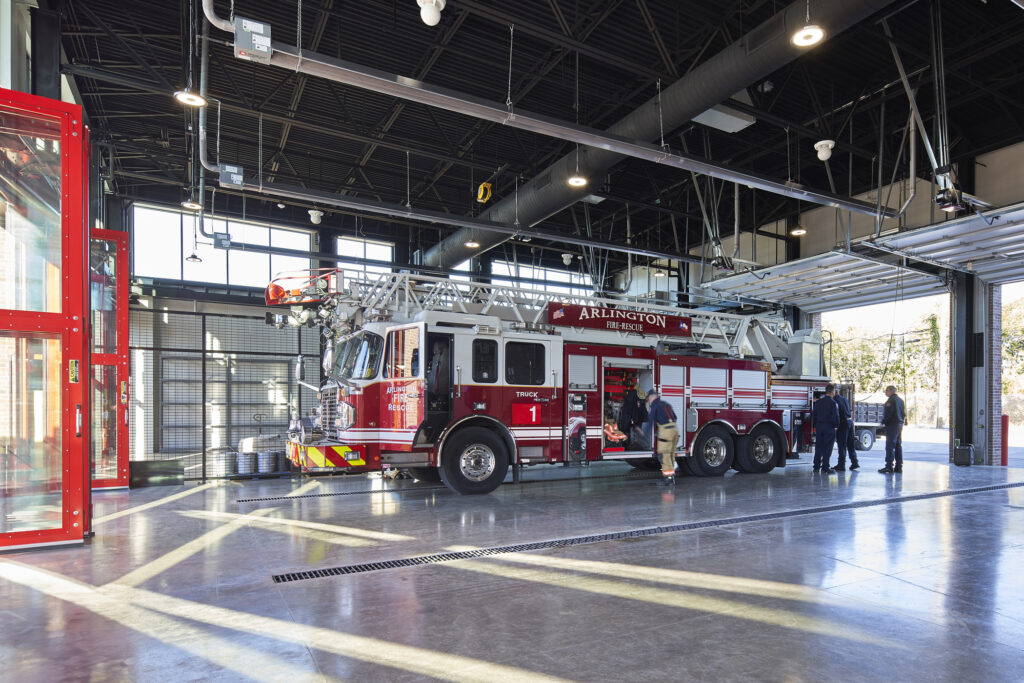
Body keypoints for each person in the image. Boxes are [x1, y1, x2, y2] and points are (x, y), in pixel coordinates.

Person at [646, 391, 679, 485]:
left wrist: (644, 433)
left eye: (648, 399)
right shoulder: (666, 404)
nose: (648, 401)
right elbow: (675, 417)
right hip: (675, 430)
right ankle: (672, 475)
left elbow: (650, 420)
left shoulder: (654, 405)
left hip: (666, 431)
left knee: (664, 455)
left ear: (651, 397)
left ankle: (668, 478)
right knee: (671, 453)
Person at [811, 384, 839, 474]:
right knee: (827, 448)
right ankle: (825, 467)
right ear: (832, 391)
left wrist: (816, 425)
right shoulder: (833, 403)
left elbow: (814, 414)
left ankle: (816, 467)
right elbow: (836, 416)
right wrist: (836, 426)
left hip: (819, 427)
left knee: (818, 447)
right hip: (829, 427)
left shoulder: (818, 402)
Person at [879, 385, 905, 474]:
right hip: (900, 424)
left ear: (891, 391)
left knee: (890, 446)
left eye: (886, 390)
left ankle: (889, 466)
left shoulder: (891, 401)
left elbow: (889, 414)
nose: (885, 392)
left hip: (892, 425)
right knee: (898, 445)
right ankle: (899, 467)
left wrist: (884, 422)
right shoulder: (901, 401)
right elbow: (903, 413)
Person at [834, 391, 860, 471]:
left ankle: (841, 464)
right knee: (850, 444)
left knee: (842, 444)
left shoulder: (835, 401)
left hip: (843, 423)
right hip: (850, 422)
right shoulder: (845, 399)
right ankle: (854, 462)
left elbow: (836, 413)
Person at [618, 385, 648, 449]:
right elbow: (639, 409)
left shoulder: (632, 396)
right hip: (638, 419)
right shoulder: (639, 396)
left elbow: (631, 410)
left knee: (628, 431)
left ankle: (626, 444)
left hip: (631, 418)